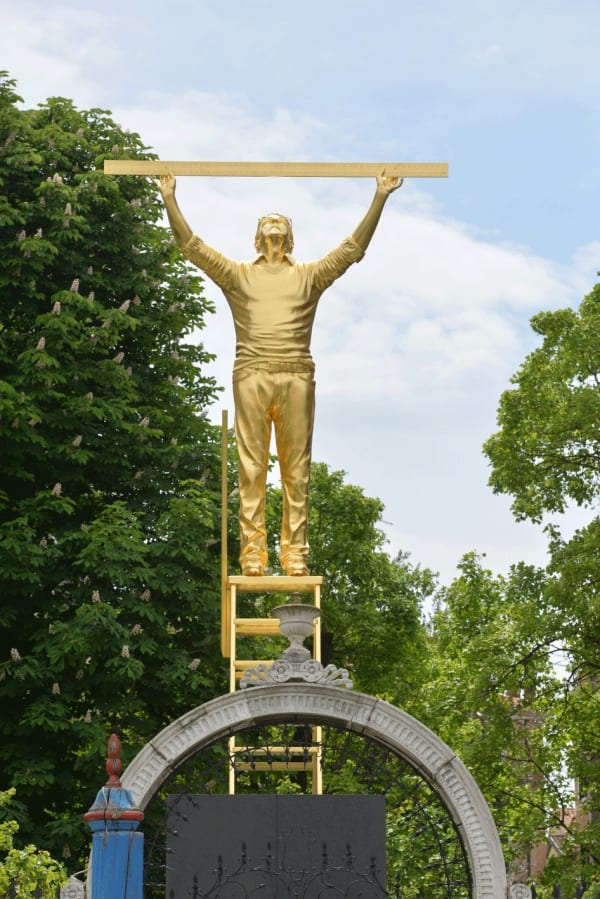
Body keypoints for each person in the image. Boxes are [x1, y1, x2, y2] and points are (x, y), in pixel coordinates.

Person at [156, 171, 402, 577]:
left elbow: (353, 249)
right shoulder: (238, 275)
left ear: (290, 237)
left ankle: (295, 553)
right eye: (266, 222)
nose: (273, 223)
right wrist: (169, 198)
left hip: (297, 376)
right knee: (250, 467)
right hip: (251, 372)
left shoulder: (309, 276)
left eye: (281, 222)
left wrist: (379, 196)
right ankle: (253, 551)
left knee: (296, 469)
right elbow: (191, 247)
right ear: (257, 238)